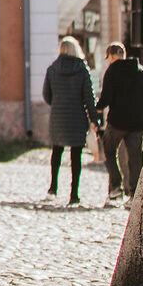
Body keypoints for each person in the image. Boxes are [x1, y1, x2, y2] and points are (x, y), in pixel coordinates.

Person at [95, 43, 143, 200]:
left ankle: (116, 186)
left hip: (116, 122)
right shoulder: (141, 72)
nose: (108, 61)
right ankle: (133, 194)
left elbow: (106, 98)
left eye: (108, 58)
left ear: (111, 55)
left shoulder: (112, 71)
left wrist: (97, 107)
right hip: (136, 124)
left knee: (108, 150)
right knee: (135, 159)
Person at [44, 36, 97, 205]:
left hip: (58, 116)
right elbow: (89, 97)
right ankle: (74, 194)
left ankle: (53, 188)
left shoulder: (52, 69)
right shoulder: (82, 70)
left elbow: (46, 95)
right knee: (76, 156)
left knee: (56, 152)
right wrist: (94, 119)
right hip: (77, 117)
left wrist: (57, 103)